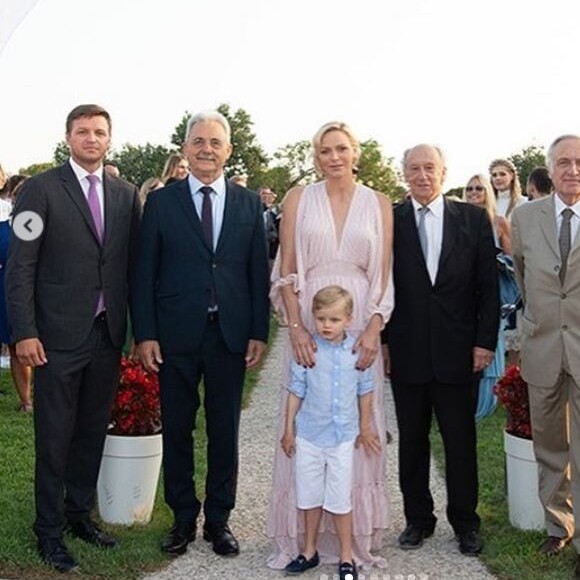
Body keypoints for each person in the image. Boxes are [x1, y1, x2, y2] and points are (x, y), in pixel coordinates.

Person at [5, 104, 141, 573]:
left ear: (109, 139)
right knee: (55, 437)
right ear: (68, 138)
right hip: (55, 338)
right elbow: (20, 267)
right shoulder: (40, 191)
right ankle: (48, 530)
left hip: (107, 335)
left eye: (99, 132)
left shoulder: (125, 195)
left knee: (89, 433)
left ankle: (79, 515)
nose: (91, 139)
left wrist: (136, 332)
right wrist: (24, 331)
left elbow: (130, 267)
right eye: (82, 131)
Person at [132, 110, 270, 558]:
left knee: (224, 429)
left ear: (228, 150)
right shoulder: (161, 202)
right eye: (198, 141)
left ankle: (219, 520)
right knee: (177, 427)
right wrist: (146, 334)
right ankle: (182, 518)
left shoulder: (250, 205)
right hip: (175, 336)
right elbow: (143, 272)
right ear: (185, 148)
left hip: (229, 336)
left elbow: (256, 273)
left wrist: (258, 332)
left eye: (215, 142)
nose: (206, 149)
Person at [267, 121, 394, 571]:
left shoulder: (379, 203)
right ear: (316, 156)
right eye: (325, 150)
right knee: (309, 414)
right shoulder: (298, 198)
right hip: (310, 321)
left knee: (357, 420)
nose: (334, 157)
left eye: (341, 148)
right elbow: (285, 270)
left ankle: (351, 542)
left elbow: (384, 274)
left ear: (355, 151)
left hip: (359, 323)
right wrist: (296, 327)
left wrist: (375, 325)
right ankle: (303, 541)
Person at [382, 144, 499, 557]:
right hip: (406, 350)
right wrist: (382, 343)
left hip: (459, 352)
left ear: (444, 172)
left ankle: (466, 523)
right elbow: (381, 287)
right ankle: (418, 520)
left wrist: (485, 343)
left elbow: (488, 289)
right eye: (413, 168)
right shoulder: (390, 220)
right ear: (404, 174)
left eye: (429, 168)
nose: (422, 175)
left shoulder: (472, 219)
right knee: (411, 441)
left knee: (460, 442)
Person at [511, 134, 580, 580]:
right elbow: (520, 273)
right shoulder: (524, 217)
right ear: (549, 169)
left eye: (578, 162)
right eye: (563, 163)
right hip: (542, 346)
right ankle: (559, 525)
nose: (572, 170)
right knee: (551, 444)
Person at [281, 285, 379, 580]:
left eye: (334, 320)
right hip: (309, 435)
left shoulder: (356, 353)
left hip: (342, 438)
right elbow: (296, 391)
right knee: (309, 496)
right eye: (321, 318)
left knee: (339, 499)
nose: (326, 325)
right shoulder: (308, 350)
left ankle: (346, 557)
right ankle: (308, 551)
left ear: (348, 319)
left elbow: (366, 391)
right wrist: (289, 430)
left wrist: (364, 427)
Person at [463, 174, 510, 420]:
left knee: (491, 340)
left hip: (492, 291)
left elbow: (512, 259)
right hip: (463, 293)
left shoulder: (499, 222)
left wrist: (496, 262)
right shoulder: (457, 220)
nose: (473, 192)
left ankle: (489, 398)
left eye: (479, 188)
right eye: (469, 188)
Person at [0, 177, 33, 412]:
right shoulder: (3, 228)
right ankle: (26, 400)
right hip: (8, 292)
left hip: (43, 290)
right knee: (15, 345)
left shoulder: (41, 226)